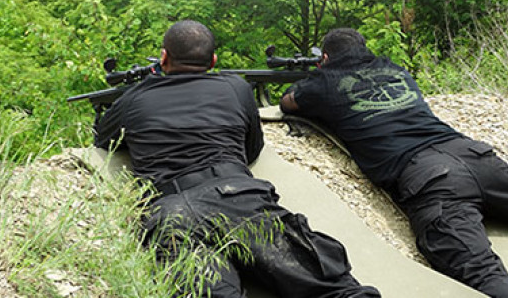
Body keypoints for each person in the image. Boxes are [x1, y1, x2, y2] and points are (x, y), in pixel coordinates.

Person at [279, 28, 508, 298]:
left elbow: (288, 102)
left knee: (479, 269)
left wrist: (316, 75)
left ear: (325, 59)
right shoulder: (395, 69)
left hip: (429, 175)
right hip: (475, 156)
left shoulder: (324, 83)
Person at [95, 20, 380, 298]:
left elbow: (103, 139)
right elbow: (252, 148)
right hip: (242, 197)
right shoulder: (236, 88)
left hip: (175, 211)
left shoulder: (133, 98)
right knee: (333, 286)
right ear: (213, 60)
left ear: (164, 57)